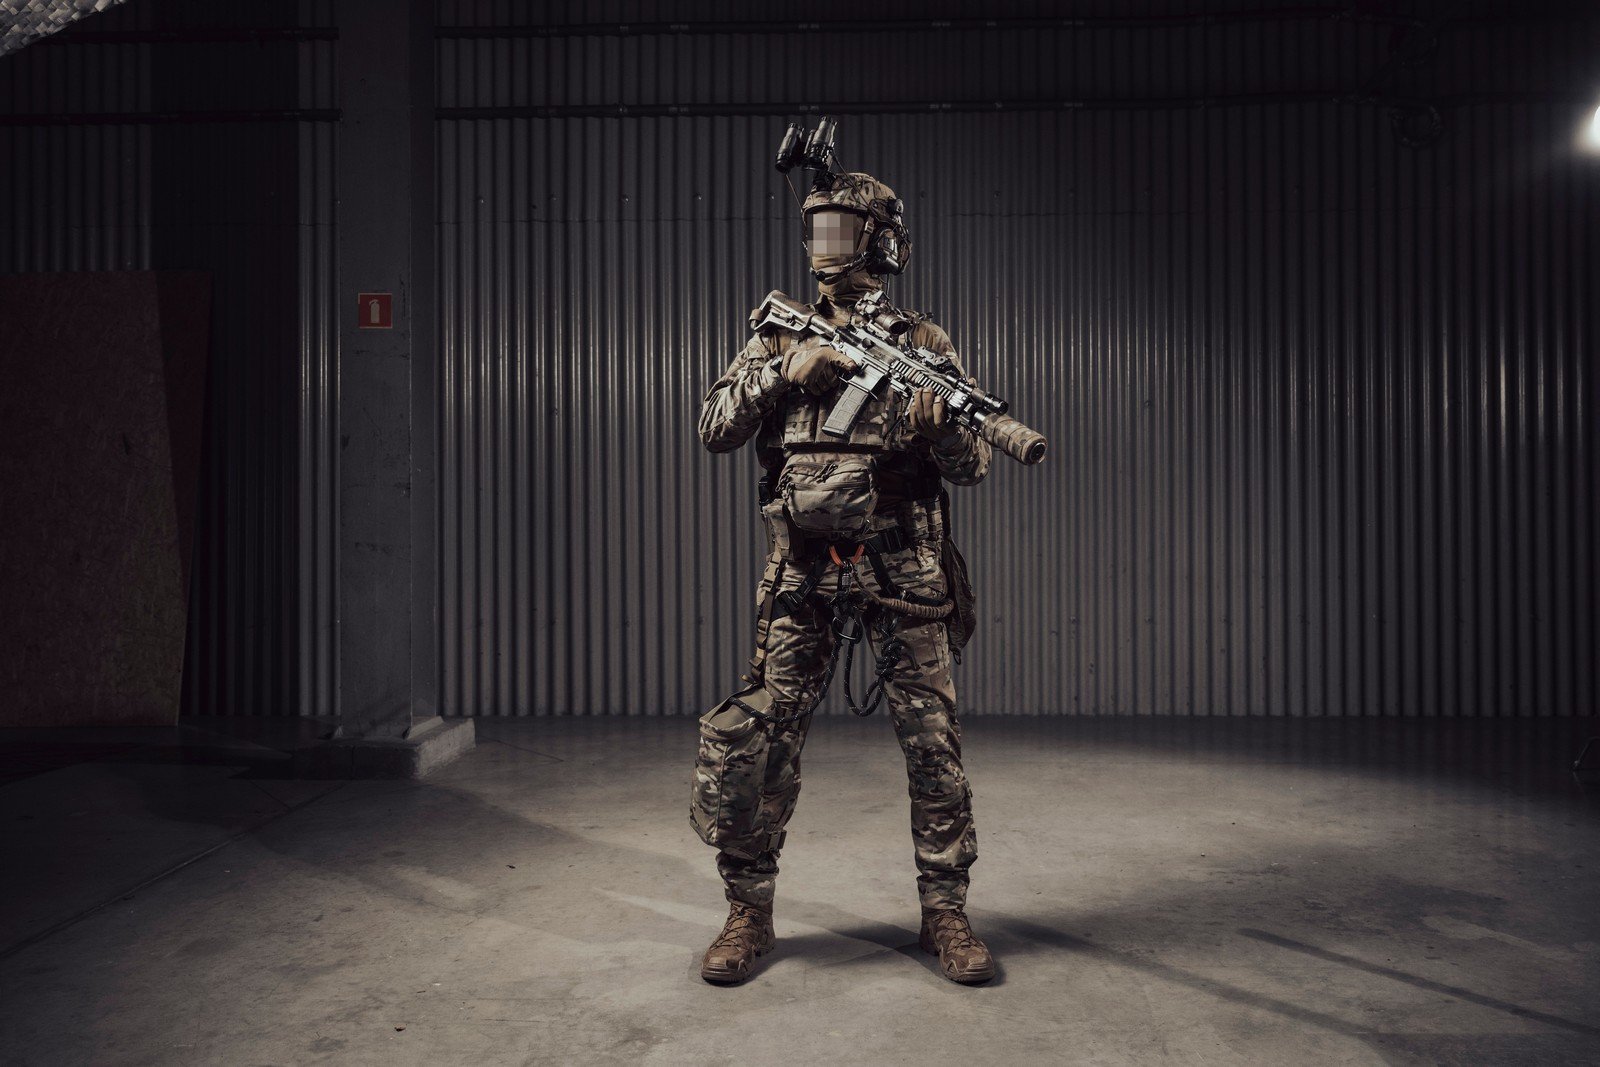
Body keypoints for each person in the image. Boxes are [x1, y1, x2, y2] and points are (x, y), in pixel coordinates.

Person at [692, 167, 997, 986]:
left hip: (904, 567)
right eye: (816, 228)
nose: (825, 246)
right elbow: (714, 426)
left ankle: (945, 910)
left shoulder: (923, 342)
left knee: (933, 746)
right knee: (763, 740)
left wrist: (942, 430)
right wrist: (783, 374)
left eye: (842, 230)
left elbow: (971, 465)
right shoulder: (778, 337)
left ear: (881, 243)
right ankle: (748, 911)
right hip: (801, 568)